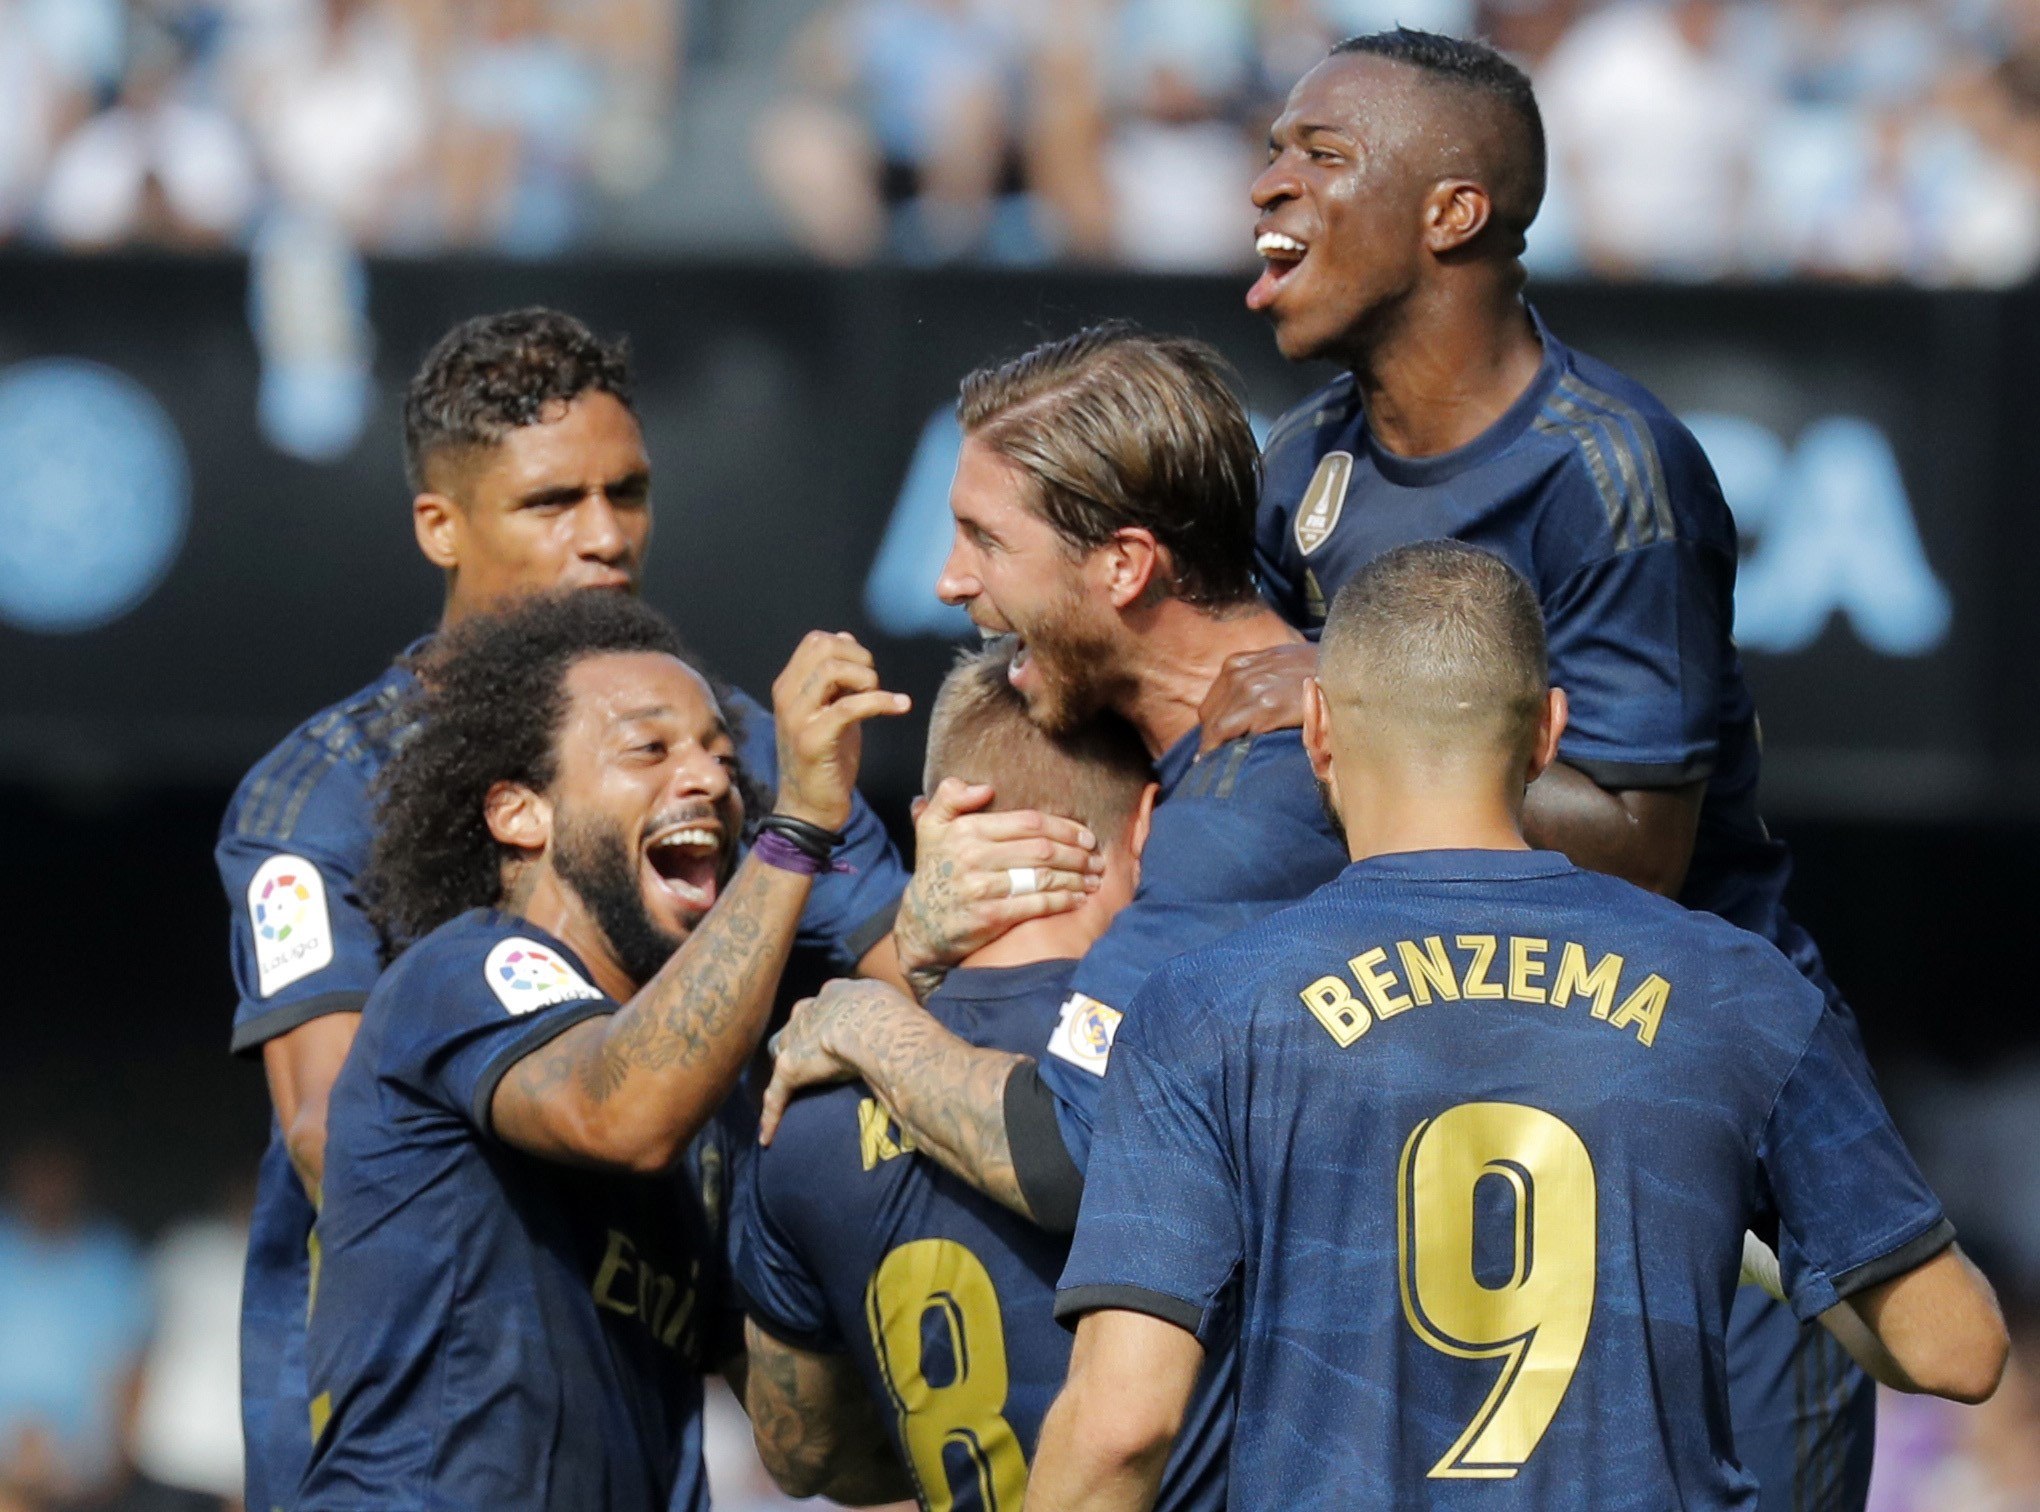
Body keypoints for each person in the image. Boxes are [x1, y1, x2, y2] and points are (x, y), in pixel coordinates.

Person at [215, 307, 1070, 1512]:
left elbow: (922, 981)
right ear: (440, 525)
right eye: (553, 503)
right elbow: (329, 1135)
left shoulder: (738, 756)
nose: (606, 538)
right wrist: (616, 1137)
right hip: (402, 1427)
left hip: (637, 1388)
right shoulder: (324, 795)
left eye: (629, 493)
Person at [1206, 28, 1887, 1506]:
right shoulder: (1302, 469)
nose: (1269, 182)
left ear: (1454, 213)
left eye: (1323, 157)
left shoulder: (1608, 470)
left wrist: (1365, 700)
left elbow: (1639, 841)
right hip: (1470, 1116)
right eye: (1276, 151)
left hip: (1707, 1140)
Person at [1032, 542, 2009, 1511]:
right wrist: (1779, 1255)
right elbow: (1956, 1351)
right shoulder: (1740, 991)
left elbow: (1122, 1429)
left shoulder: (1206, 1008)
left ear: (1319, 725)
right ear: (1549, 734)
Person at [300, 590, 909, 1510]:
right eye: (650, 749)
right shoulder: (468, 970)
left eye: (722, 755)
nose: (708, 778)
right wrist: (796, 833)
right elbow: (619, 1111)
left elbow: (810, 1451)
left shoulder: (718, 1105)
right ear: (520, 814)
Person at [763, 324, 1348, 1225]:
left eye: (984, 541)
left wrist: (865, 1022)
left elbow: (1071, 1154)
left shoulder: (1252, 811)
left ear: (1123, 565)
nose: (949, 583)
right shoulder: (1224, 748)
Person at [733, 644, 1226, 1509]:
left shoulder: (799, 1114)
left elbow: (804, 1452)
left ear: (931, 821)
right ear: (1150, 823)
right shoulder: (1201, 1063)